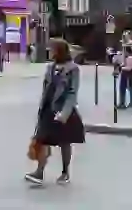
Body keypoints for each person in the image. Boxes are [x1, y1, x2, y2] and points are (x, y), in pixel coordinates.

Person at [26, 39, 85, 186]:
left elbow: (72, 93)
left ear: (59, 50)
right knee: (42, 140)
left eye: (52, 49)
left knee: (64, 142)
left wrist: (64, 114)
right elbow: (46, 89)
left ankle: (65, 172)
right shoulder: (50, 68)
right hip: (48, 109)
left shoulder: (73, 69)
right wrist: (41, 107)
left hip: (63, 111)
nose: (49, 51)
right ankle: (39, 172)